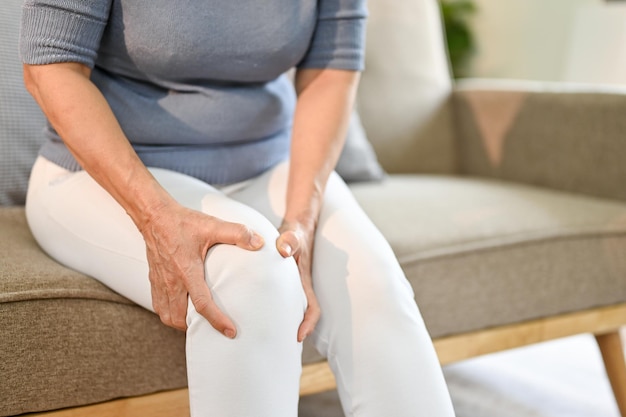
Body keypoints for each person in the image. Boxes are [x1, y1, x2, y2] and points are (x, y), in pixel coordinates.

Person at [20, 0, 456, 416]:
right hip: (103, 173)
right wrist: (157, 218)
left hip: (268, 161)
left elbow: (331, 69)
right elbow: (51, 69)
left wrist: (302, 217)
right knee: (251, 277)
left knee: (373, 284)